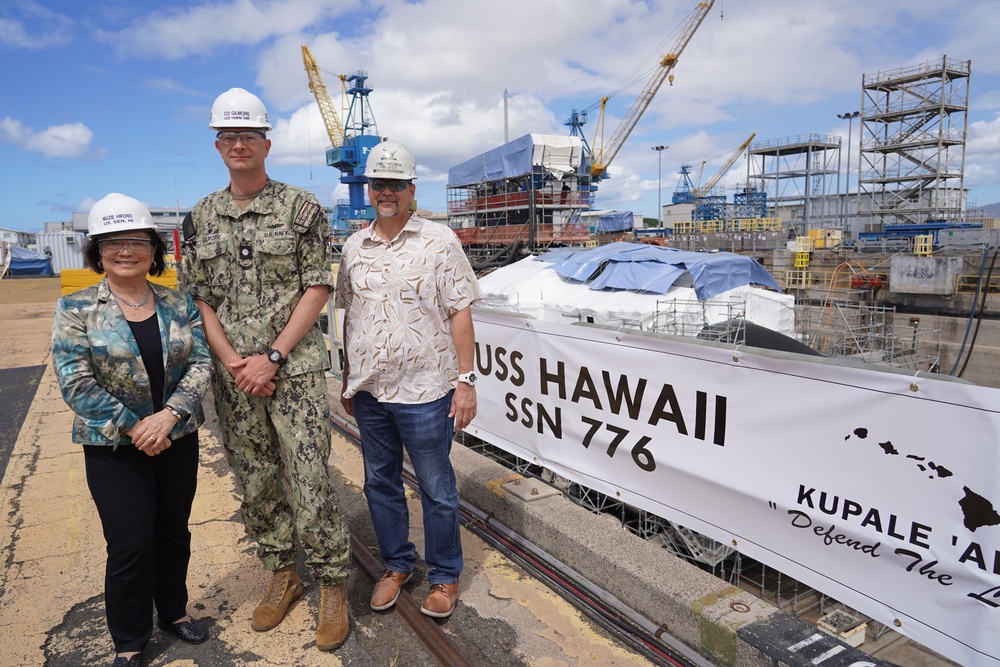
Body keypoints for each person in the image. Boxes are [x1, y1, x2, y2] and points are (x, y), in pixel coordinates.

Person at [182, 87, 351, 651]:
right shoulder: (202, 215)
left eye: (246, 136)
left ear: (265, 143)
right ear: (218, 145)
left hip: (294, 371)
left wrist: (272, 356)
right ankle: (284, 572)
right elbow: (199, 298)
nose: (236, 145)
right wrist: (235, 363)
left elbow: (319, 284)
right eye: (226, 137)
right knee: (254, 480)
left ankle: (331, 583)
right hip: (236, 379)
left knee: (309, 480)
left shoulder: (301, 208)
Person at [52, 193, 213, 667]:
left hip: (176, 437)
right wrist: (139, 426)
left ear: (153, 248)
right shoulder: (76, 308)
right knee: (130, 543)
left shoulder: (176, 302)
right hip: (113, 447)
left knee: (173, 533)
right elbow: (75, 382)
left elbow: (202, 363)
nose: (126, 251)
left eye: (137, 241)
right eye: (113, 242)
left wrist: (171, 416)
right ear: (97, 251)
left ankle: (173, 611)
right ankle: (129, 637)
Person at [336, 140, 483, 618]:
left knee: (436, 487)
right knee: (379, 482)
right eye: (379, 184)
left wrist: (466, 380)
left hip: (425, 391)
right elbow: (349, 313)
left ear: (411, 188)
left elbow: (460, 310)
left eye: (396, 184)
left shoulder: (439, 241)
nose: (387, 192)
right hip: (372, 391)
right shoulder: (353, 246)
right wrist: (346, 378)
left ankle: (444, 575)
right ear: (368, 188)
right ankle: (397, 564)